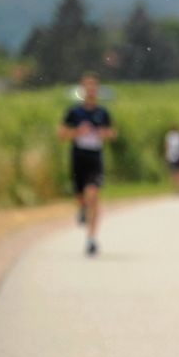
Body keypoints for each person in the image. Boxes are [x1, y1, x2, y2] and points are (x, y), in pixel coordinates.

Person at [57, 71, 116, 256]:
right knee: (80, 195)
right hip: (78, 157)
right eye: (87, 87)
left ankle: (91, 239)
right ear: (82, 90)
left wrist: (102, 133)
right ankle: (82, 208)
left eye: (93, 87)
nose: (91, 90)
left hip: (95, 158)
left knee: (93, 195)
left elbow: (112, 133)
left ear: (97, 90)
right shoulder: (74, 112)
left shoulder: (102, 112)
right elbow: (61, 134)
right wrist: (77, 132)